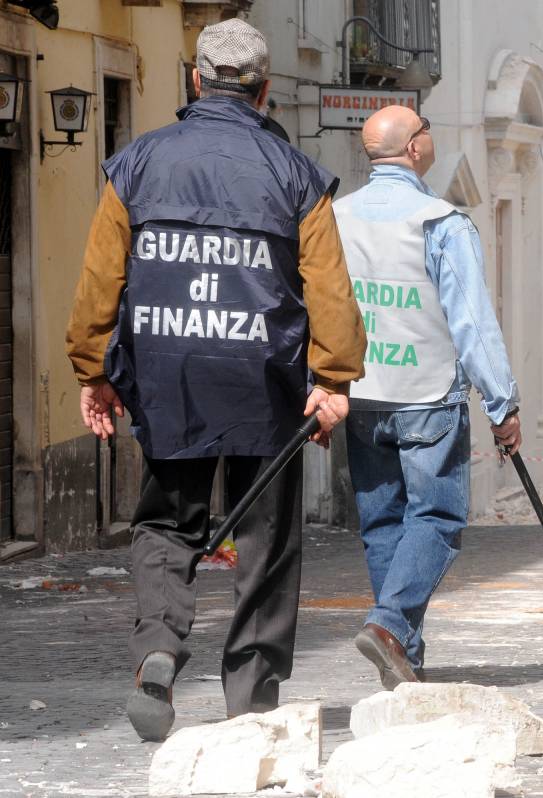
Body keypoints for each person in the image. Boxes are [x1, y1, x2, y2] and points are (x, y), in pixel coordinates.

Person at [64, 19, 365, 741]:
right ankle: (251, 697)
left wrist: (94, 369)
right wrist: (332, 378)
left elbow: (102, 278)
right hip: (265, 375)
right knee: (265, 534)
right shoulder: (295, 173)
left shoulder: (135, 164)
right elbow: (327, 286)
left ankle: (159, 651)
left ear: (195, 81)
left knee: (166, 522)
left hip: (169, 372)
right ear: (263, 92)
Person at [335, 105, 521, 687]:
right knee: (437, 516)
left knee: (383, 521)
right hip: (426, 394)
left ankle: (402, 654)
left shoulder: (335, 218)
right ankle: (391, 626)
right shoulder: (440, 221)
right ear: (414, 148)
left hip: (360, 392)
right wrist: (502, 403)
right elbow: (472, 321)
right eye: (428, 129)